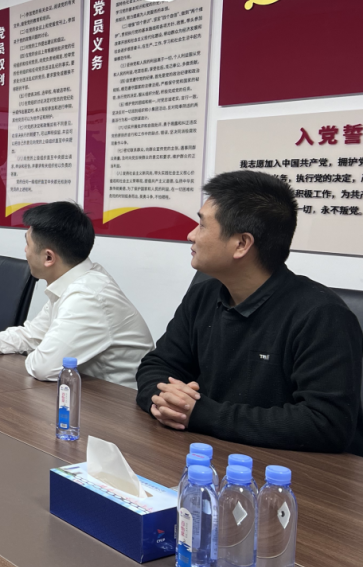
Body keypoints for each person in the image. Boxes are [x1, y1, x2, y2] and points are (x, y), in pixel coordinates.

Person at [136, 170, 363, 454]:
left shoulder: (322, 315)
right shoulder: (203, 296)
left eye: (202, 225)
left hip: (287, 471)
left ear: (242, 244)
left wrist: (202, 414)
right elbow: (157, 365)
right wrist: (163, 400)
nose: (191, 235)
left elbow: (326, 424)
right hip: (208, 453)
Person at [0, 201, 153, 388]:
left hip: (116, 404)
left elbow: (43, 367)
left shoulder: (87, 296)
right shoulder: (73, 282)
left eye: (28, 244)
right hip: (85, 392)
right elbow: (32, 335)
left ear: (48, 257)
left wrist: (39, 349)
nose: (25, 251)